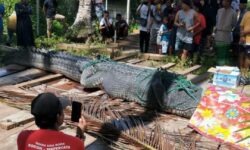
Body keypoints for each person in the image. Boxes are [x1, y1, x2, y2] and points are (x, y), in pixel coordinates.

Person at [17, 93, 86, 150]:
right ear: (58, 117)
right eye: (62, 110)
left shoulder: (24, 137)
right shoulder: (75, 144)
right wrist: (80, 135)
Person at [214, 0, 237, 65]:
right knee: (220, 54)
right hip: (218, 35)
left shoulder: (233, 12)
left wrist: (227, 28)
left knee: (225, 56)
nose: (223, 2)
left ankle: (223, 70)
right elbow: (216, 22)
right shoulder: (219, 10)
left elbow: (234, 24)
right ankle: (220, 70)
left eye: (225, 1)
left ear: (229, 2)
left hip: (227, 35)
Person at [232, 0, 247, 67]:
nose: (239, 6)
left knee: (242, 53)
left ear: (244, 4)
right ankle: (238, 66)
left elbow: (242, 25)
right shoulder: (241, 12)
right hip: (237, 33)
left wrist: (242, 34)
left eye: (240, 4)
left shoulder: (245, 13)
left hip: (241, 34)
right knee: (238, 51)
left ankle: (241, 67)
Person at [240, 7, 250, 76]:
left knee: (241, 55)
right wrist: (243, 34)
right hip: (248, 40)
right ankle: (245, 75)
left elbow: (241, 26)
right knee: (248, 57)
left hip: (243, 40)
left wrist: (242, 36)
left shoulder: (246, 13)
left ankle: (241, 72)